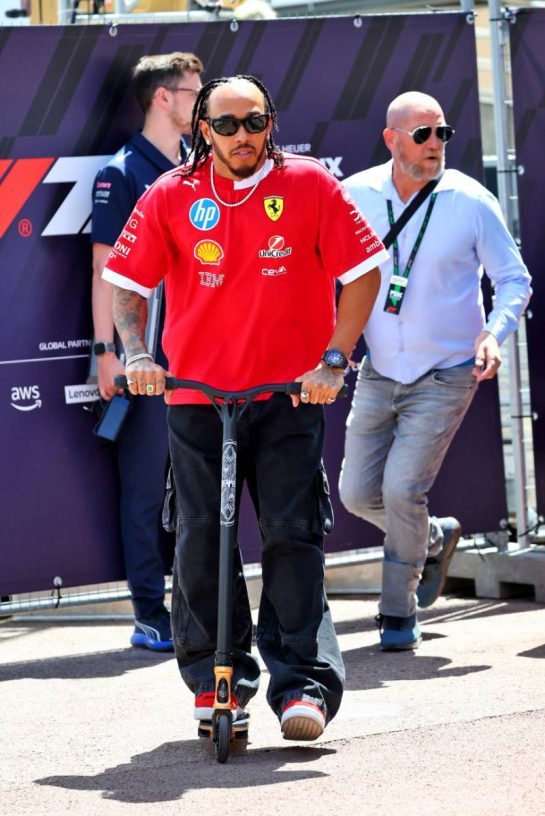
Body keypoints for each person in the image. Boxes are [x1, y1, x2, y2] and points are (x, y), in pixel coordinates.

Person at [102, 74, 389, 740]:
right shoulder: (172, 194)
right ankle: (213, 677)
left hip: (290, 396)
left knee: (293, 533)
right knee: (201, 539)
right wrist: (138, 356)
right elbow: (126, 285)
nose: (240, 137)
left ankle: (303, 685)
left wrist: (334, 361)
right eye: (225, 125)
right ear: (203, 127)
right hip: (197, 400)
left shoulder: (310, 184)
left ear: (270, 123)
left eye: (252, 123)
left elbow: (363, 272)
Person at [339, 91, 532, 652]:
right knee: (355, 494)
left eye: (442, 133)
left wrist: (492, 335)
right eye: (422, 135)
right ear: (391, 139)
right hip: (378, 370)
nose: (434, 146)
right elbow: (330, 273)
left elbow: (514, 280)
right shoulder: (355, 196)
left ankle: (396, 615)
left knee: (402, 490)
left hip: (447, 372)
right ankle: (433, 538)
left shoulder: (470, 200)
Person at [91, 51, 204, 651]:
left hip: (201, 361)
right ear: (164, 97)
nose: (203, 99)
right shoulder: (122, 172)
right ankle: (147, 613)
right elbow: (105, 270)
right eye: (194, 90)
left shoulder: (197, 167)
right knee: (143, 491)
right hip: (146, 361)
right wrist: (108, 351)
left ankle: (196, 609)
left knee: (197, 493)